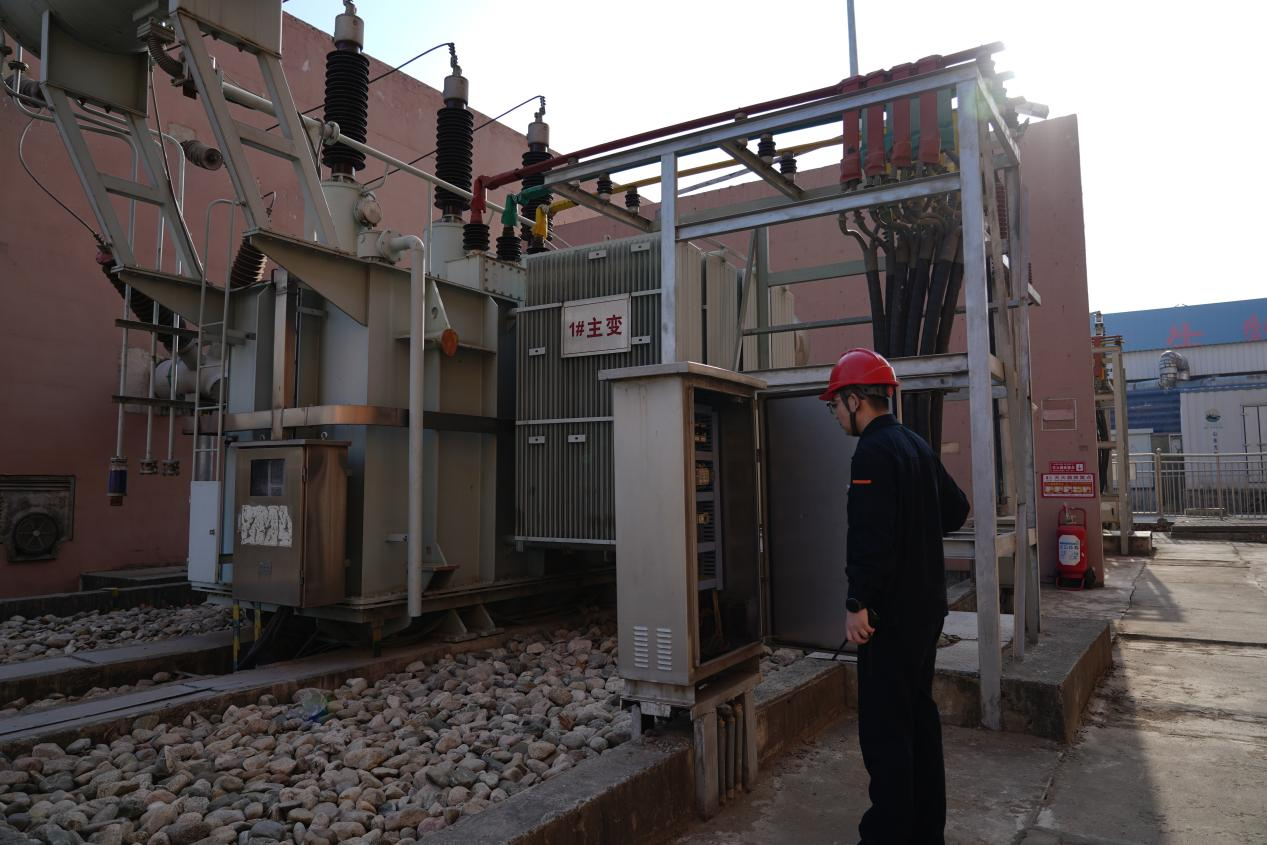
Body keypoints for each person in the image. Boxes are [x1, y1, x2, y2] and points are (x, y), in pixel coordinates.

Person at [820, 347, 970, 845]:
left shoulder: (872, 452)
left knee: (886, 733)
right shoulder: (915, 445)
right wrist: (918, 524)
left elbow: (870, 537)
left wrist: (857, 603)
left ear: (855, 400)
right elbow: (957, 509)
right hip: (927, 612)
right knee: (919, 722)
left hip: (890, 617)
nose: (835, 414)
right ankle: (926, 833)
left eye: (835, 404)